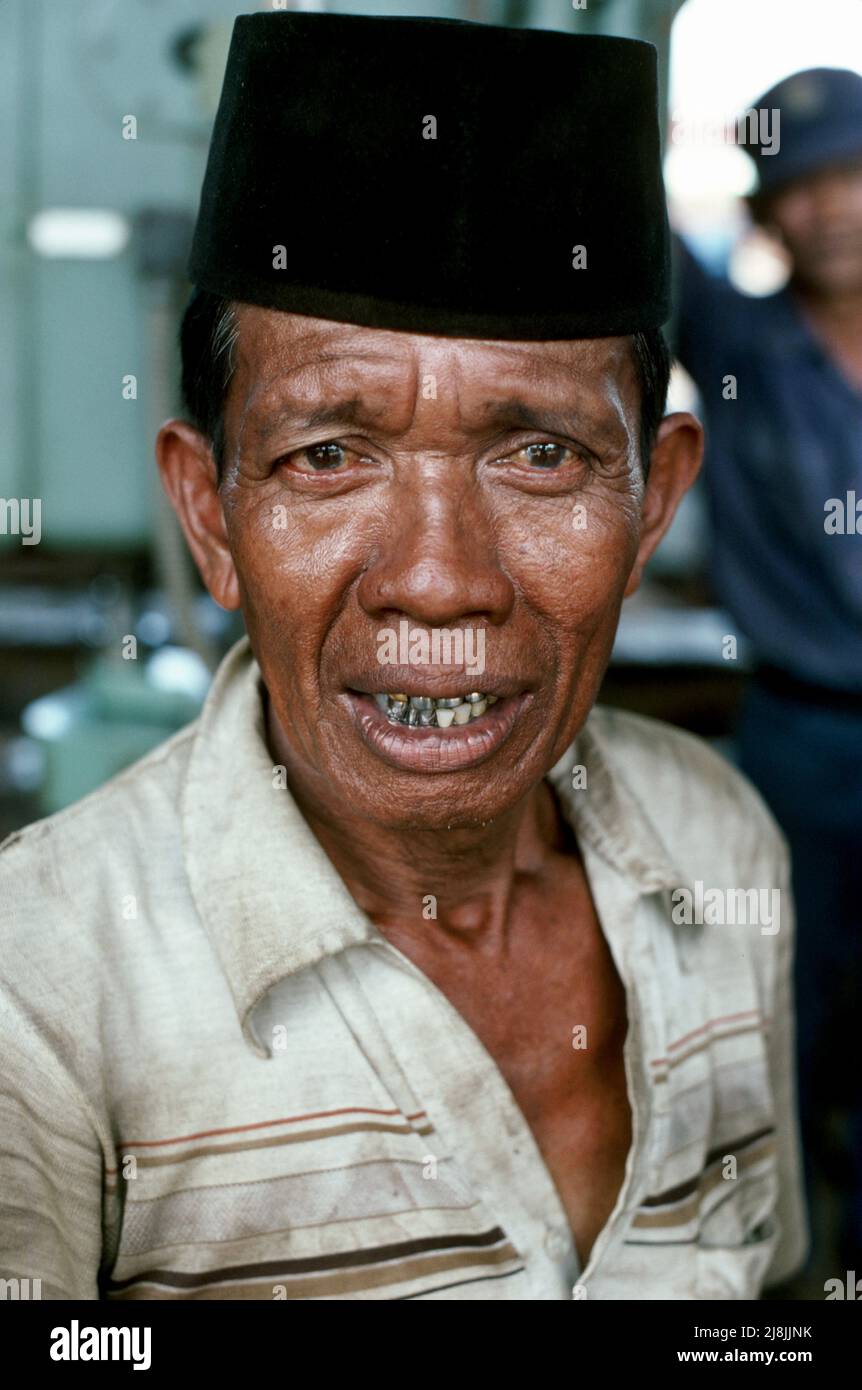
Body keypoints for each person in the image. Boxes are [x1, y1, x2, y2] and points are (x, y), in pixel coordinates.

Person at [0, 11, 807, 1301]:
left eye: (540, 453)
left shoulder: (719, 848)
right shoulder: (35, 981)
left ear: (651, 504)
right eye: (329, 453)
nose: (440, 575)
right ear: (210, 515)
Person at [673, 66, 862, 1271]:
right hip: (804, 741)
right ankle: (775, 1282)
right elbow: (612, 212)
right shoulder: (734, 345)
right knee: (783, 1018)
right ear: (761, 213)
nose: (829, 207)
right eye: (796, 187)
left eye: (849, 175)